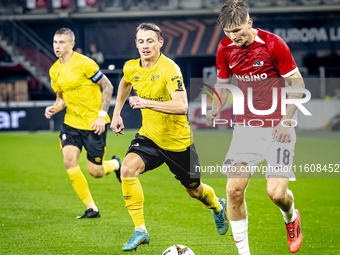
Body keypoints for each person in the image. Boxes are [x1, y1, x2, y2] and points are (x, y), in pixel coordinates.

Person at [110, 23, 229, 252]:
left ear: (160, 42)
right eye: (141, 41)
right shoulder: (131, 67)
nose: (145, 46)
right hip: (150, 138)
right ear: (136, 44)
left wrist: (146, 103)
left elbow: (181, 105)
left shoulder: (170, 69)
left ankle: (217, 206)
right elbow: (125, 82)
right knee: (127, 169)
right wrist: (116, 113)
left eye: (150, 41)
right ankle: (140, 231)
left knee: (195, 190)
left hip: (178, 142)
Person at [207, 1, 304, 254]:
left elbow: (298, 85)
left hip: (278, 127)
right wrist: (216, 105)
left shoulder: (274, 44)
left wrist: (286, 121)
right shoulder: (225, 47)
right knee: (233, 189)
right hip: (246, 128)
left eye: (238, 30)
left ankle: (291, 217)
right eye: (228, 32)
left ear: (250, 23)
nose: (233, 37)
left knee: (276, 194)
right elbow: (222, 84)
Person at [45, 28, 121, 219]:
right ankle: (91, 208)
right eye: (55, 42)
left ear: (71, 44)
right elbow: (61, 99)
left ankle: (115, 164)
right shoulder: (54, 70)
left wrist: (102, 116)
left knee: (95, 172)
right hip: (71, 123)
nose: (57, 46)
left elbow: (108, 86)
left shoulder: (85, 63)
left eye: (62, 42)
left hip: (94, 124)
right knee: (69, 160)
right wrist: (54, 108)